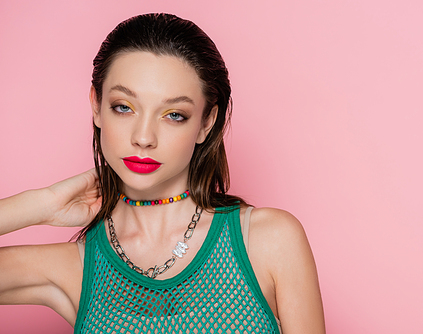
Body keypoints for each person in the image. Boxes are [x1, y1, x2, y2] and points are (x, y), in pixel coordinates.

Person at [0, 13, 325, 333]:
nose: (144, 137)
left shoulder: (268, 241)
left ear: (206, 123)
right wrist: (41, 204)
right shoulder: (78, 268)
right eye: (123, 107)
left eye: (174, 115)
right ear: (96, 105)